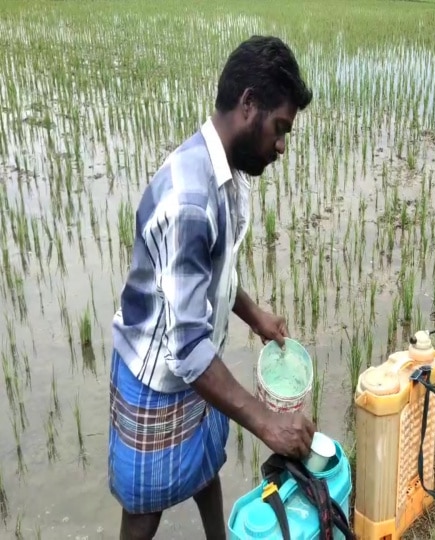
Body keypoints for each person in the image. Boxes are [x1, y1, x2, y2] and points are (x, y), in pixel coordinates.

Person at [108, 35, 316, 540]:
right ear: (249, 105)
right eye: (280, 128)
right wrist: (266, 421)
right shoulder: (190, 199)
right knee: (143, 504)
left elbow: (213, 272)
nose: (282, 146)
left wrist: (255, 315)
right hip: (160, 372)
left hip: (198, 361)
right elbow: (186, 348)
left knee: (204, 465)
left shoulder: (227, 171)